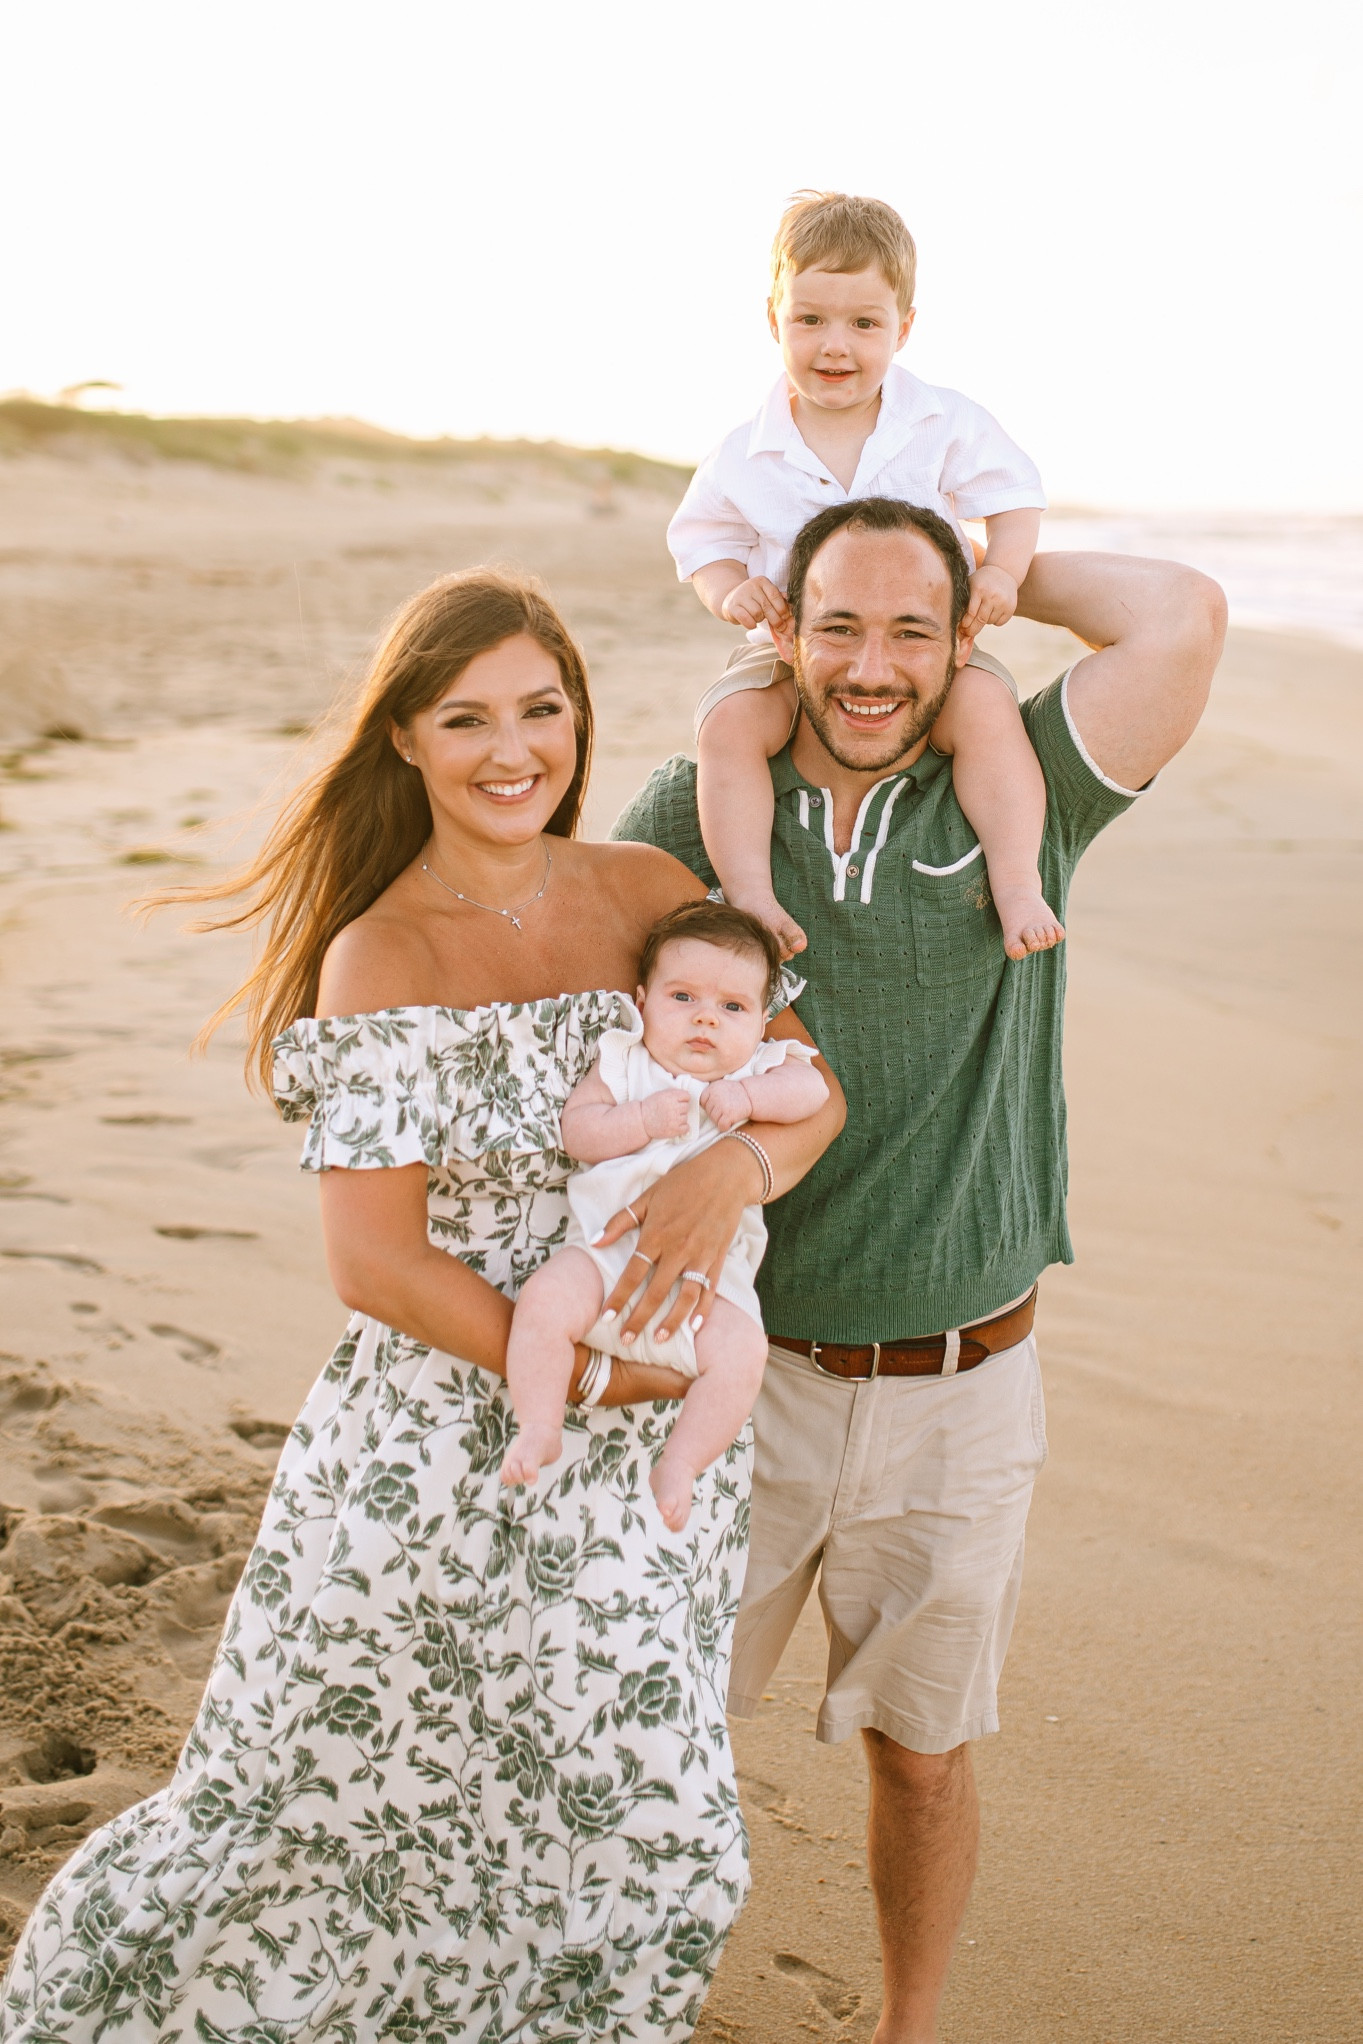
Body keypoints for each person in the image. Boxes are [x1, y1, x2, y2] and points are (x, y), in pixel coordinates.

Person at [0, 569, 844, 2043]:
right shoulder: (378, 955)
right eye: (465, 717)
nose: (511, 748)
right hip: (446, 1447)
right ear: (402, 737)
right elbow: (374, 1264)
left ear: (578, 716)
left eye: (540, 708)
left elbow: (804, 1086)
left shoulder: (648, 893)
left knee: (637, 1836)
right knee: (334, 1811)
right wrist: (584, 1384)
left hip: (651, 1455)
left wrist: (735, 1174)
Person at [614, 498, 1226, 2044]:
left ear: (964, 638)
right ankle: (607, 2003)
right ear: (782, 630)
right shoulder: (699, 811)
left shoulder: (1018, 788)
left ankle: (905, 2031)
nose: (870, 665)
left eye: (911, 628)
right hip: (732, 1381)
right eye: (835, 624)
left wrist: (976, 549)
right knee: (638, 1732)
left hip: (964, 1387)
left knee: (923, 1753)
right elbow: (567, 981)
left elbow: (1177, 615)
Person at [669, 188, 1062, 963]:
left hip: (922, 645)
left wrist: (1004, 575)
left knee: (985, 708)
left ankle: (1016, 881)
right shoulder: (744, 451)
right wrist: (728, 590)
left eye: (863, 323)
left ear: (902, 328)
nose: (834, 345)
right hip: (791, 648)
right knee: (729, 726)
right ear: (773, 319)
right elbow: (701, 539)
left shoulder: (942, 421)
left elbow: (1012, 498)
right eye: (809, 319)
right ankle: (748, 888)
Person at [501, 898, 829, 1529]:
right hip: (603, 1259)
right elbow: (579, 1131)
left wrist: (750, 1094)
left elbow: (813, 1092)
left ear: (764, 1023)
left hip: (709, 1285)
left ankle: (680, 1462)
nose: (706, 1019)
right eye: (684, 998)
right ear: (642, 1000)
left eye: (733, 1008)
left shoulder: (761, 1068)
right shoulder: (626, 1063)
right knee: (542, 1304)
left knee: (742, 1357)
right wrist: (639, 1120)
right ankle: (538, 1425)